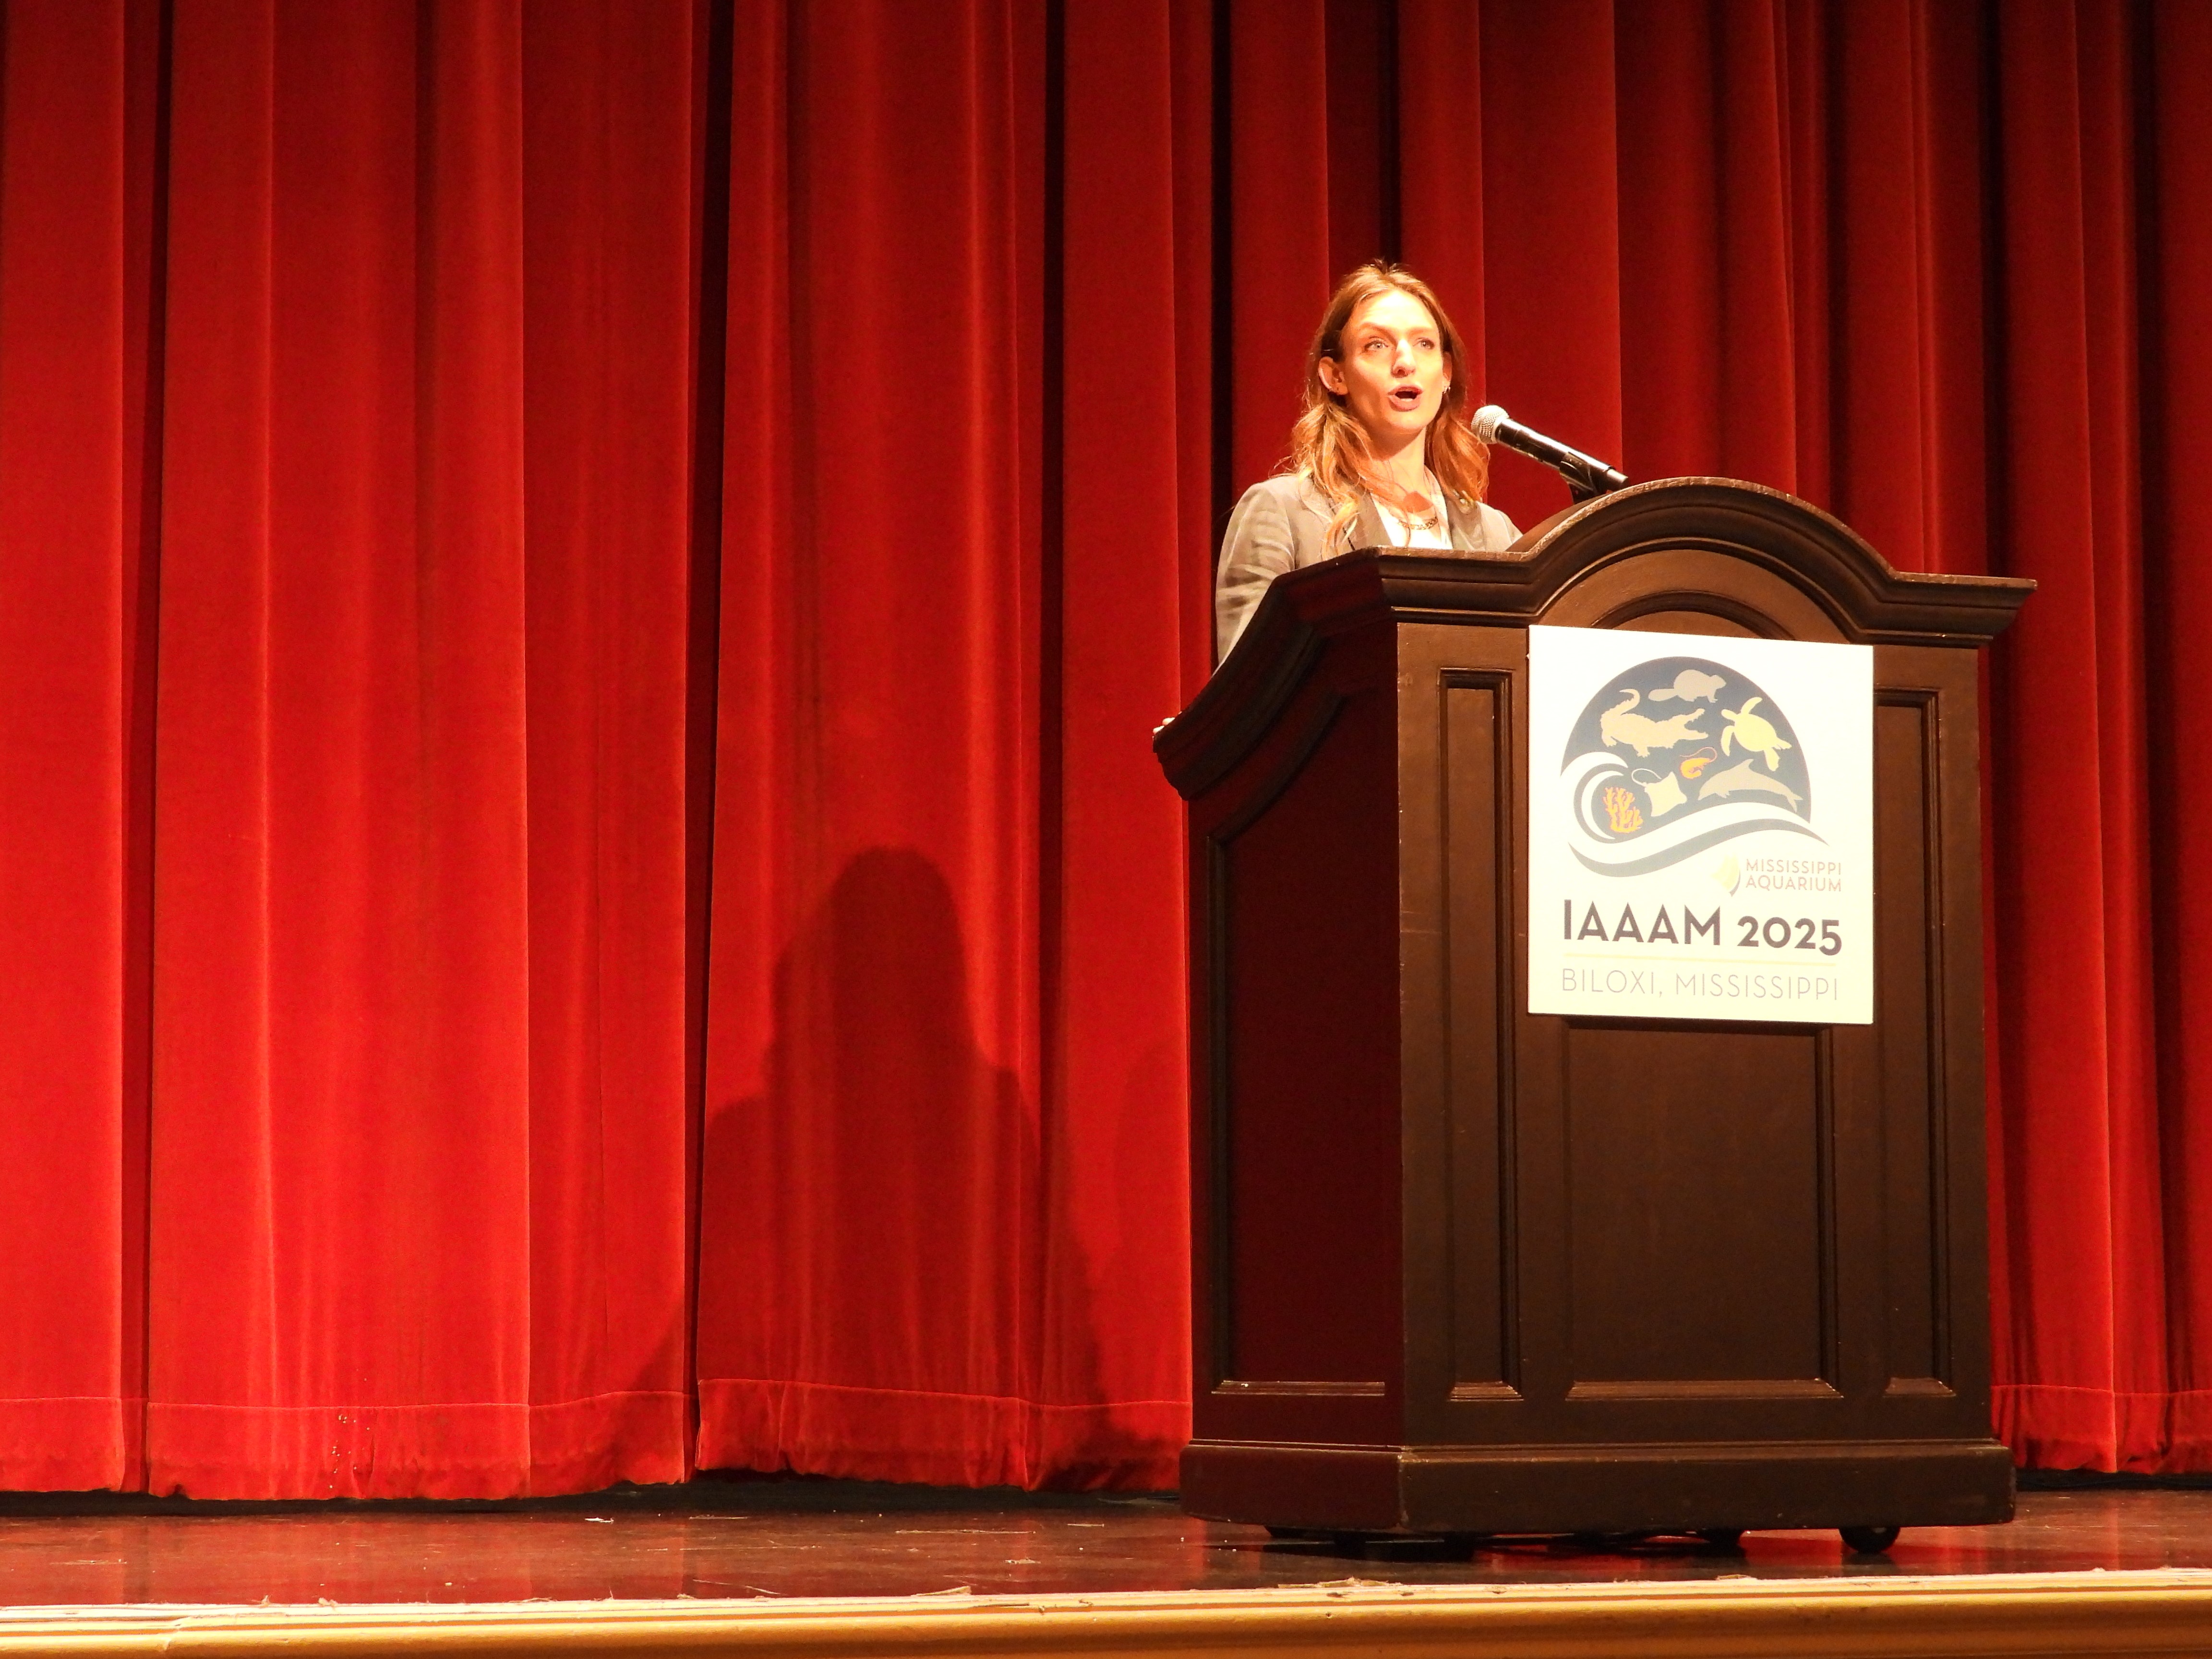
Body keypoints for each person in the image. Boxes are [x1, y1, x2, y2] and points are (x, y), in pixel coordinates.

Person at [1214, 263, 1521, 661]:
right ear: (1335, 376)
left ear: (1446, 373)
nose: (1405, 362)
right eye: (1377, 345)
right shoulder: (1284, 513)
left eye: (1424, 344)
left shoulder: (1495, 534)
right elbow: (1249, 681)